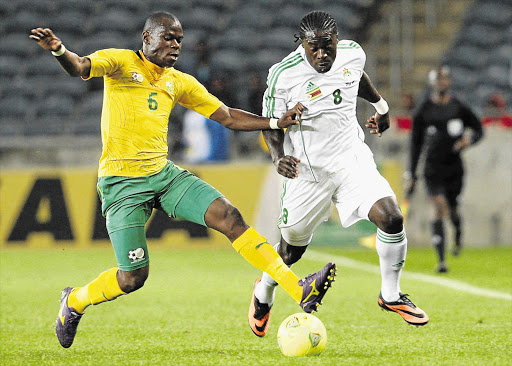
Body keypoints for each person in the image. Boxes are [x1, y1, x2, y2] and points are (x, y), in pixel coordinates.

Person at [29, 11, 337, 349]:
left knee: (230, 217)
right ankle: (74, 301)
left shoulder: (179, 81)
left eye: (179, 39)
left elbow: (229, 117)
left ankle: (299, 288)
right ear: (147, 39)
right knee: (133, 278)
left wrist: (277, 123)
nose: (176, 44)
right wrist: (59, 49)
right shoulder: (120, 62)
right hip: (122, 186)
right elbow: (79, 66)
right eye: (168, 37)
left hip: (163, 176)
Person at [248, 11, 429, 338]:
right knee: (292, 251)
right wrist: (278, 158)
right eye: (313, 47)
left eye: (327, 46)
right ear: (300, 45)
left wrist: (382, 108)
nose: (321, 54)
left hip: (351, 159)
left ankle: (390, 294)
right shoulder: (282, 75)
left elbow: (356, 77)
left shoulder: (352, 53)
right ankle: (263, 291)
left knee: (392, 218)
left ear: (337, 39)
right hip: (308, 171)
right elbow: (271, 124)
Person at [405, 66, 484, 273]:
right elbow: (415, 144)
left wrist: (469, 140)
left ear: (449, 82)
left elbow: (478, 128)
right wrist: (411, 173)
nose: (441, 82)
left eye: (444, 78)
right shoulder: (423, 110)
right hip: (432, 168)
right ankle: (441, 260)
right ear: (432, 82)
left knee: (453, 211)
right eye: (437, 79)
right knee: (438, 208)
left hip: (454, 168)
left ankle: (458, 231)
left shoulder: (458, 106)